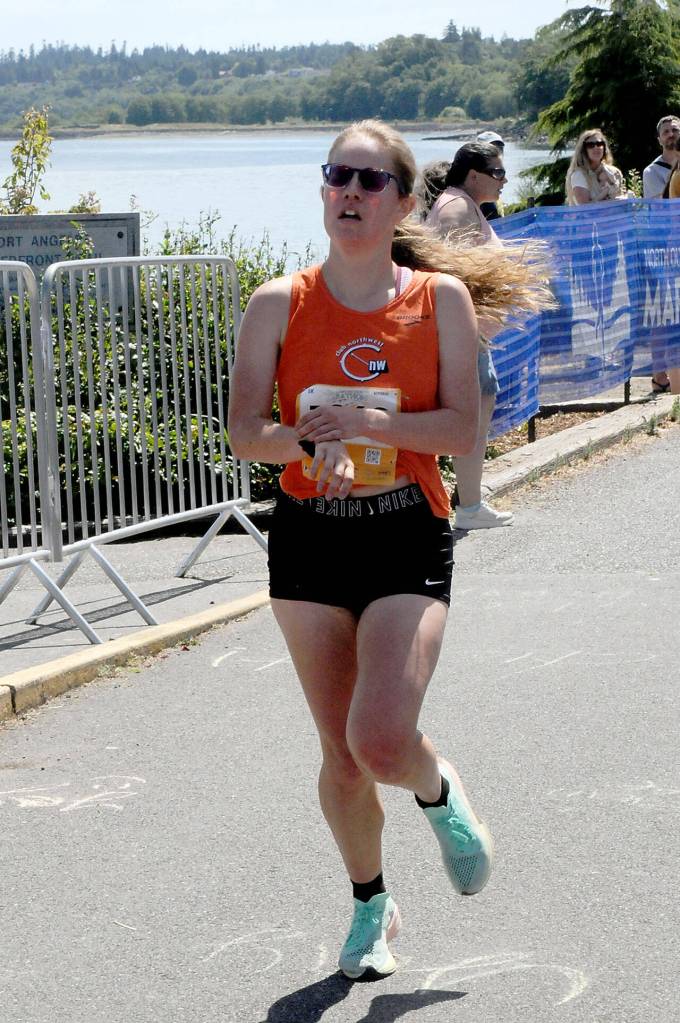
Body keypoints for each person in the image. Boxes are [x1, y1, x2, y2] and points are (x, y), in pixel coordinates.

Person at [228, 120, 549, 981]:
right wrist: (304, 444)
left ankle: (439, 789)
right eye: (338, 177)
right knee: (341, 755)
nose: (352, 194)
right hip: (308, 536)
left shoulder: (435, 300)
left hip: (406, 523)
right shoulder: (277, 303)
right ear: (323, 191)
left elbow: (462, 427)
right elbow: (244, 431)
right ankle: (372, 906)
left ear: (402, 201)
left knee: (380, 738)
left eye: (371, 182)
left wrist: (375, 424)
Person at [422, 141, 514, 530]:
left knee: (479, 407)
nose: (504, 179)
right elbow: (452, 274)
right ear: (473, 175)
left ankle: (469, 503)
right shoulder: (458, 207)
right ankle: (466, 505)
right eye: (497, 173)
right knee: (470, 415)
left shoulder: (460, 203)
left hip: (468, 331)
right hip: (461, 333)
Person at [645, 116, 680, 392]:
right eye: (666, 132)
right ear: (659, 138)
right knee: (663, 312)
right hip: (664, 248)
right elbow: (659, 209)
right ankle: (660, 373)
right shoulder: (652, 172)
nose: (671, 135)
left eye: (675, 130)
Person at [565, 129, 625, 206]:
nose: (596, 147)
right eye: (590, 145)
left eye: (600, 144)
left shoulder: (613, 172)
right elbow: (585, 209)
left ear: (604, 147)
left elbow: (620, 195)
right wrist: (613, 200)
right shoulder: (579, 175)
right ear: (584, 150)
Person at [476, 130, 505, 220]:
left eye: (500, 148)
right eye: (491, 149)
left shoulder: (498, 170)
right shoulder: (476, 179)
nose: (497, 152)